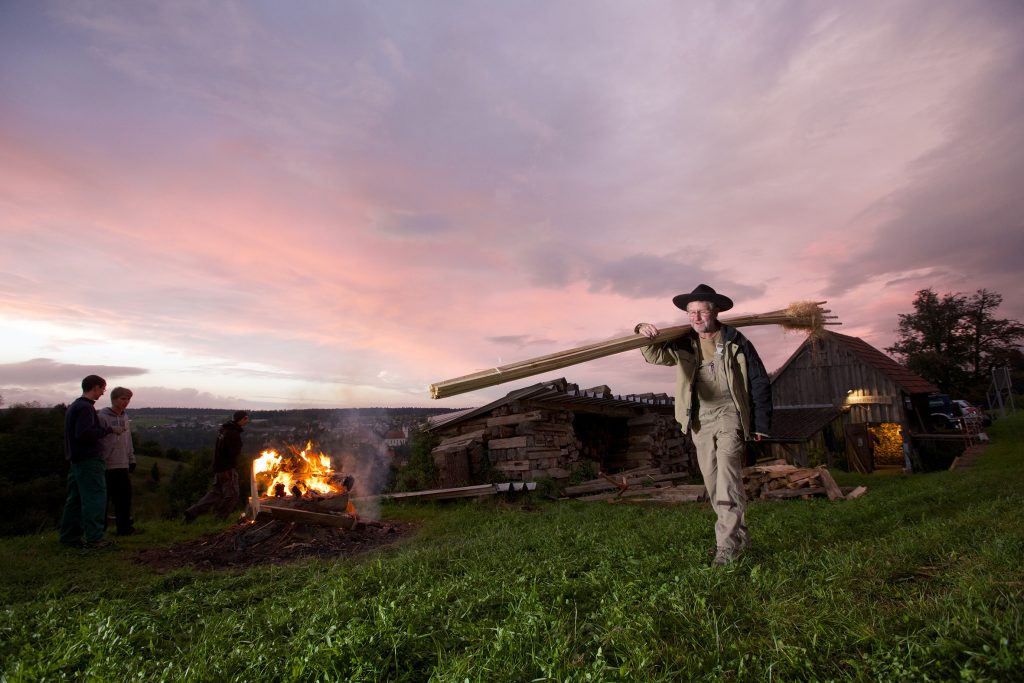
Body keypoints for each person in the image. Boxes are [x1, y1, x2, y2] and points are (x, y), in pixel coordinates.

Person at [635, 284, 772, 566]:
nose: (696, 318)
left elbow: (759, 381)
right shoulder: (684, 342)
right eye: (691, 312)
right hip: (700, 419)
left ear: (716, 311)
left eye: (701, 311)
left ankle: (726, 547)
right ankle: (740, 537)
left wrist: (761, 423)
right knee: (712, 482)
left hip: (730, 415)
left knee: (727, 479)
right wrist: (642, 331)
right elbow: (654, 356)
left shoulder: (736, 340)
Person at [59, 375, 121, 549]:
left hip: (76, 461)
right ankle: (95, 538)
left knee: (75, 500)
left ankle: (69, 537)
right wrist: (107, 429)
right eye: (102, 389)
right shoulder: (86, 408)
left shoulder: (74, 406)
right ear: (95, 387)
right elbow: (84, 434)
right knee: (94, 498)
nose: (103, 393)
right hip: (88, 460)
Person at [184, 410, 250, 521]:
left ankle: (192, 512)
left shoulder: (224, 430)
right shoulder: (233, 434)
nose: (247, 421)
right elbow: (233, 454)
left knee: (214, 494)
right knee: (233, 495)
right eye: (246, 418)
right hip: (227, 469)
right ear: (242, 419)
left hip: (219, 469)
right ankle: (219, 518)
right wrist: (231, 468)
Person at [98, 387, 139, 535]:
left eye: (128, 399)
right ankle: (99, 530)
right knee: (103, 499)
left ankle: (124, 528)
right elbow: (98, 439)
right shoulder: (102, 417)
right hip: (106, 464)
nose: (126, 402)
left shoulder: (125, 417)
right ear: (114, 399)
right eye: (123, 399)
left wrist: (131, 458)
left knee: (124, 498)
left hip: (122, 464)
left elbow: (128, 440)